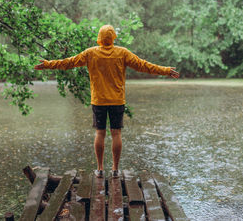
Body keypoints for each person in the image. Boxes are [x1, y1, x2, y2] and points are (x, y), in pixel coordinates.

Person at [34, 25, 179, 178]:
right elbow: (144, 65)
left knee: (100, 133)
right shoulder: (122, 53)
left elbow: (69, 62)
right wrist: (165, 70)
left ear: (100, 38)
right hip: (117, 100)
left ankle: (100, 169)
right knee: (116, 133)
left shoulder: (90, 53)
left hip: (99, 101)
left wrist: (48, 64)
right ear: (113, 37)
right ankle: (115, 170)